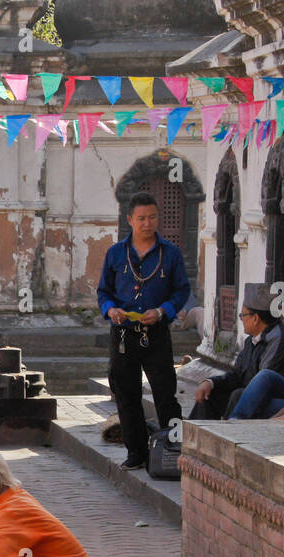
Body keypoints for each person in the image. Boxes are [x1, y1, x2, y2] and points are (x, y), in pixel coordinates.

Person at [96, 192, 190, 471]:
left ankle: (176, 448)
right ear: (130, 220)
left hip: (156, 333)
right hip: (124, 334)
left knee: (165, 394)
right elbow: (104, 292)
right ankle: (136, 452)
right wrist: (111, 310)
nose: (147, 223)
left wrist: (162, 312)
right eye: (141, 219)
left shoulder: (170, 254)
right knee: (126, 395)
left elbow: (182, 290)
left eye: (151, 217)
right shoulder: (116, 253)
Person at [191, 283, 284, 420]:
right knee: (209, 393)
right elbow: (237, 375)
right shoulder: (251, 341)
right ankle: (185, 435)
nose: (241, 319)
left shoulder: (280, 340)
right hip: (254, 397)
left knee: (238, 395)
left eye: (243, 315)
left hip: (283, 401)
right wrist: (210, 382)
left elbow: (261, 385)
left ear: (255, 318)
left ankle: (228, 432)